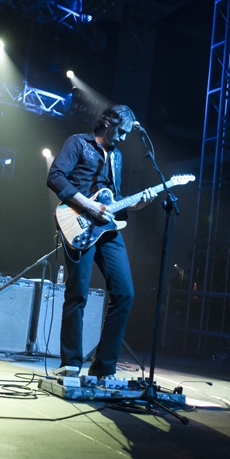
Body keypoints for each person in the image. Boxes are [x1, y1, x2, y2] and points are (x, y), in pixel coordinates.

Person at [47, 103, 157, 379]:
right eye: (119, 131)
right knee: (78, 293)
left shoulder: (116, 157)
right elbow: (55, 176)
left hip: (107, 229)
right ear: (107, 122)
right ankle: (70, 362)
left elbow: (113, 199)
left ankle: (104, 366)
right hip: (78, 223)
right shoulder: (78, 143)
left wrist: (134, 206)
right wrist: (88, 206)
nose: (122, 138)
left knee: (124, 293)